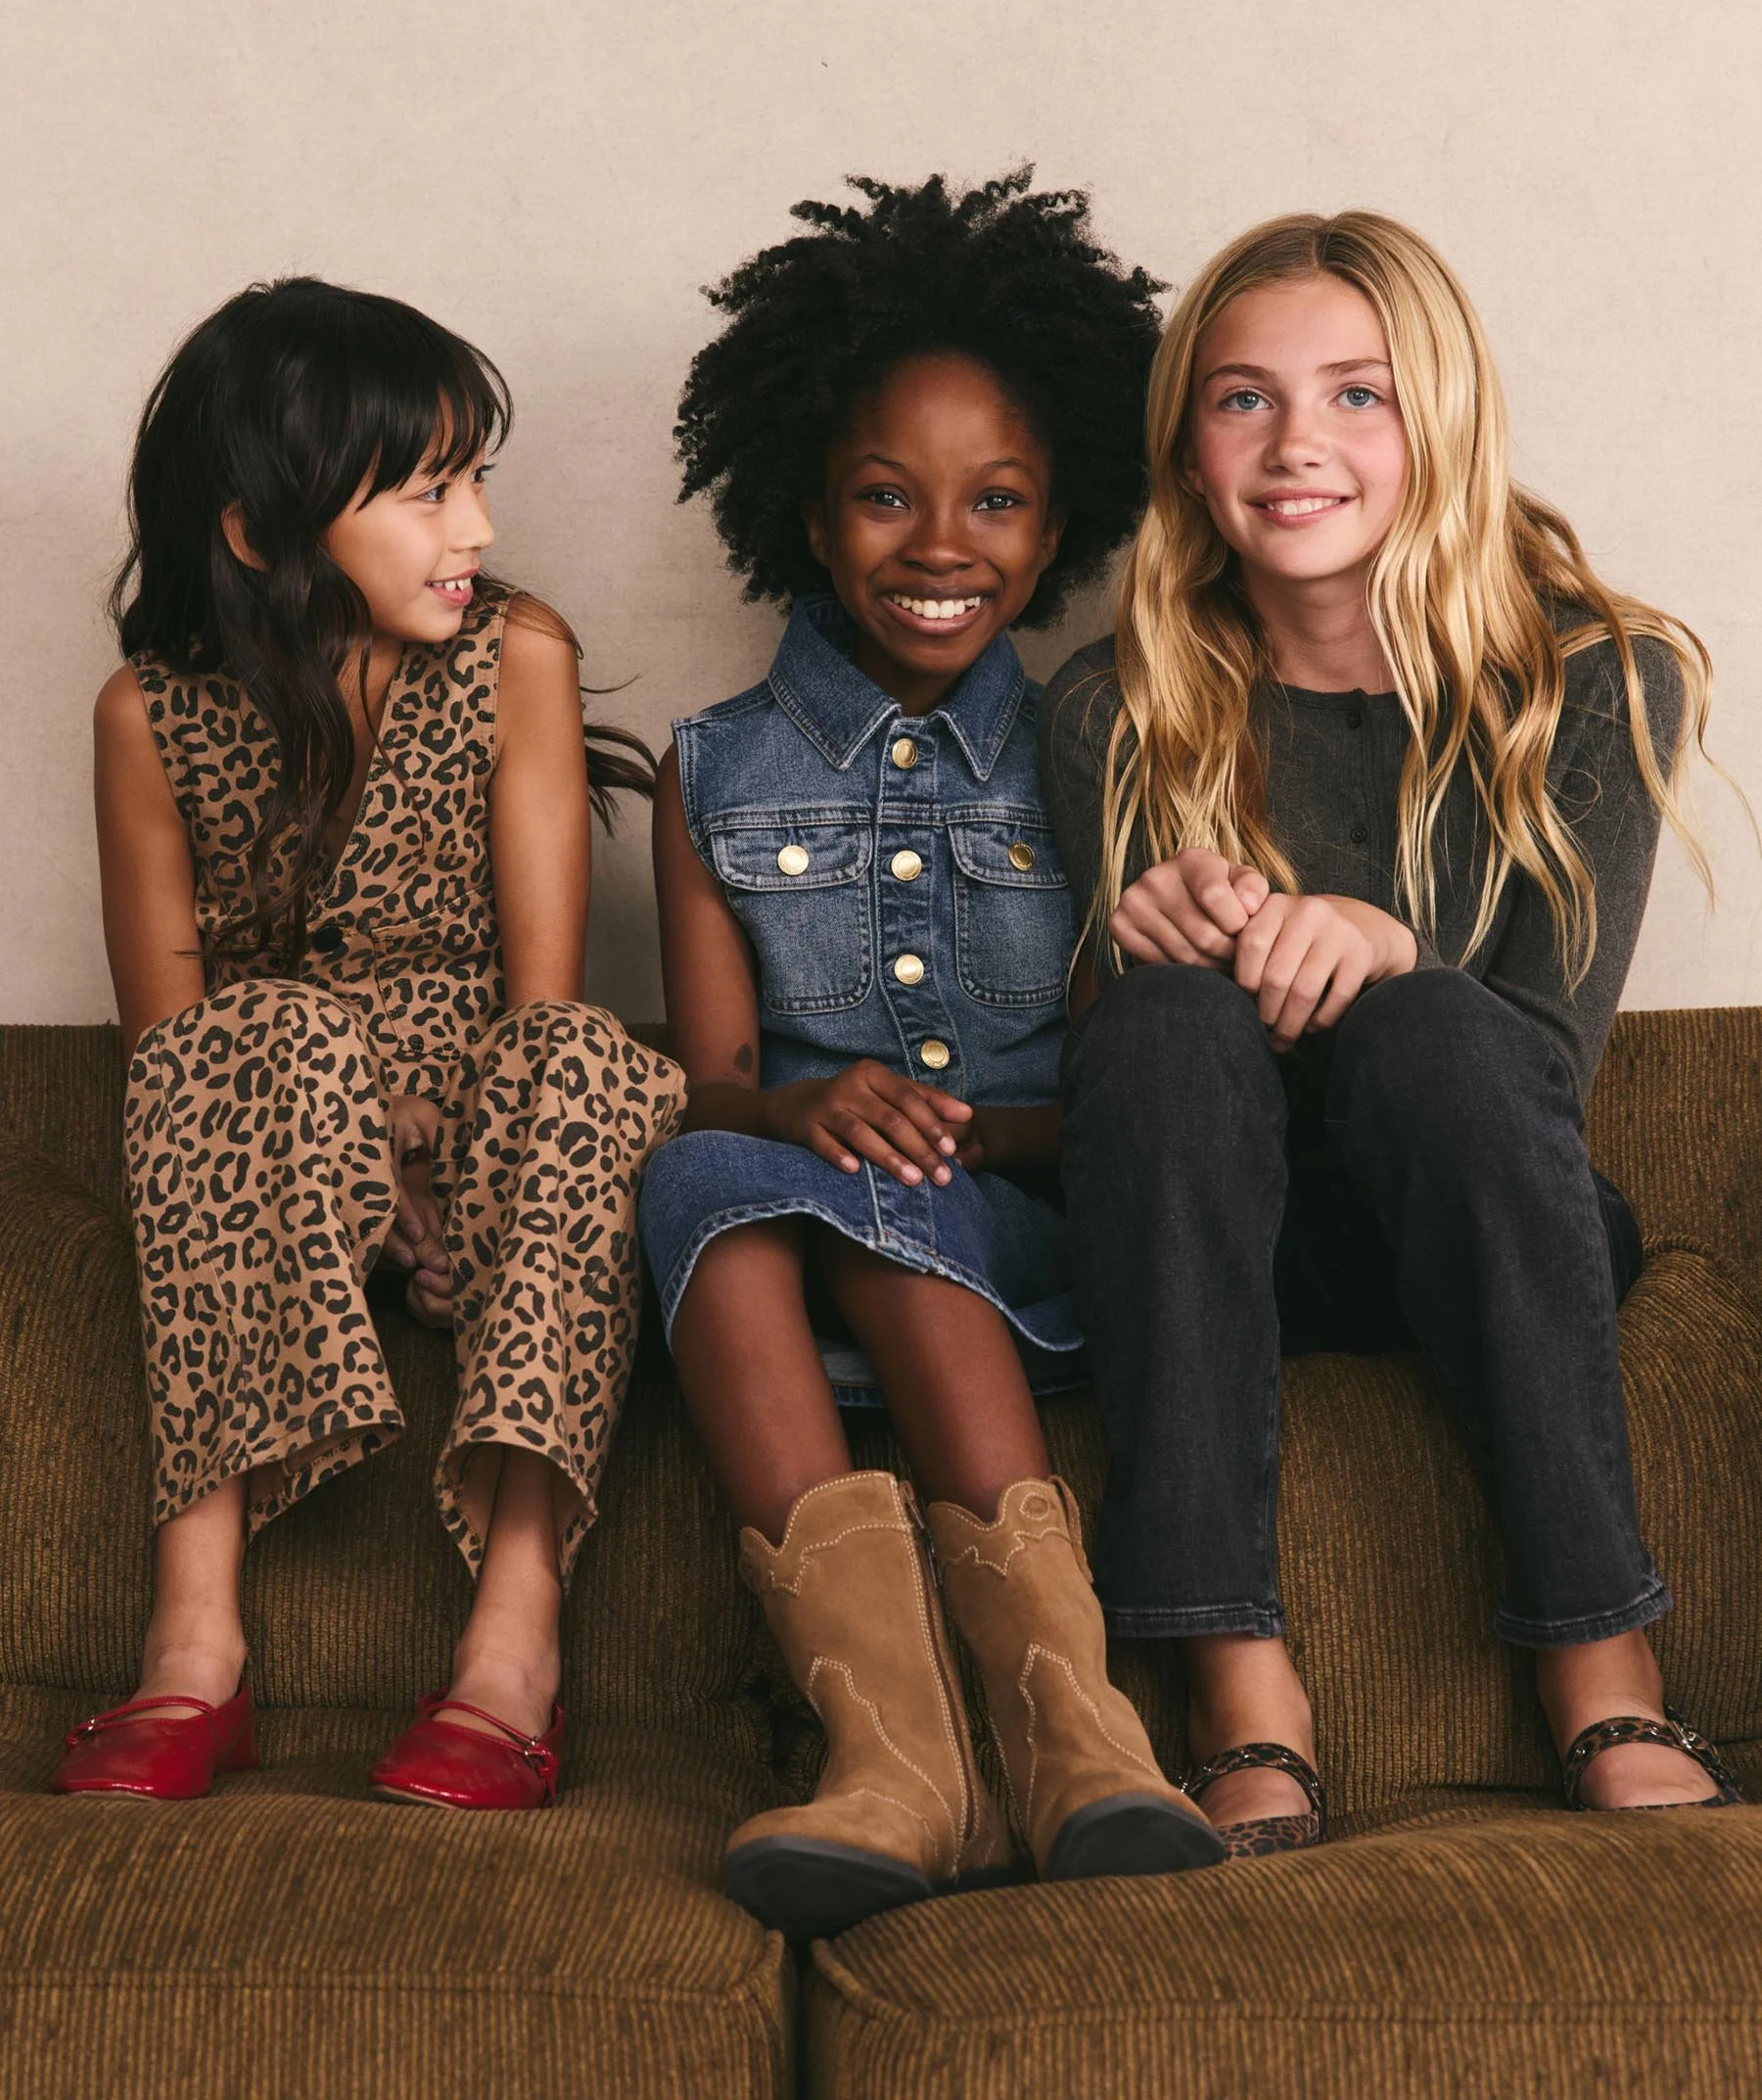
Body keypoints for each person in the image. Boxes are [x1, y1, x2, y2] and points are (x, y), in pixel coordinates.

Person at [1041, 210, 1740, 1857]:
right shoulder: (1108, 706)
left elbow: (1538, 1071)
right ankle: (1234, 1683)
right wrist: (1147, 946)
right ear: (1188, 446)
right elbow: (1137, 1131)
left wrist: (1383, 947)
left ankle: (1601, 1657)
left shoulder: (1602, 675)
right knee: (1157, 1029)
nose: (1298, 446)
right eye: (1243, 398)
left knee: (1433, 1028)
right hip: (1233, 1235)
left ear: (1444, 418)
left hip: (1496, 1213)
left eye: (1358, 395)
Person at [640, 170, 1227, 1940]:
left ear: (1059, 534)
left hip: (1014, 1237)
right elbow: (709, 1076)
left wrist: (958, 1138)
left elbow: (1132, 1098)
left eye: (997, 502)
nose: (940, 542)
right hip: (780, 1212)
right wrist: (806, 1108)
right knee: (705, 1170)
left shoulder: (1102, 752)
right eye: (888, 498)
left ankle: (1078, 1737)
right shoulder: (709, 766)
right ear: (811, 519)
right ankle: (894, 1759)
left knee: (897, 1199)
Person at [54, 278, 682, 1811]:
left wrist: (434, 1154)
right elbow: (171, 1040)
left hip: (489, 1140)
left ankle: (508, 1651)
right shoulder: (149, 713)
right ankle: (194, 1648)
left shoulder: (515, 655)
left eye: (477, 482)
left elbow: (538, 997)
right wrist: (353, 1150)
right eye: (426, 492)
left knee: (586, 1054)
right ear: (260, 532)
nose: (473, 528)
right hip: (277, 1155)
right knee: (246, 1038)